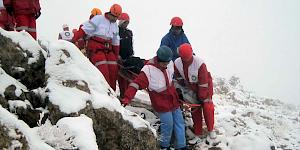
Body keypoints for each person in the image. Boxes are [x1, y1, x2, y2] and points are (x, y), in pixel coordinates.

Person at [121, 46, 187, 150]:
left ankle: (181, 146)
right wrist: (127, 97)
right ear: (158, 59)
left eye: (167, 62)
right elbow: (136, 84)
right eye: (164, 63)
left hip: (172, 98)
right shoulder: (148, 70)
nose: (166, 65)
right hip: (160, 100)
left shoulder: (169, 63)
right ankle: (164, 146)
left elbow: (173, 76)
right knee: (168, 124)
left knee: (179, 121)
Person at [72, 4, 122, 91]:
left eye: (116, 18)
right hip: (96, 47)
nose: (115, 19)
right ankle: (104, 92)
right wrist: (73, 40)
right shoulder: (98, 19)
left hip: (108, 49)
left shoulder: (115, 26)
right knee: (103, 69)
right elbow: (84, 30)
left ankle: (112, 92)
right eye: (114, 17)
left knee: (113, 69)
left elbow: (115, 41)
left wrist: (116, 55)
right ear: (110, 13)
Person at [174, 43, 216, 144]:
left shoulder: (200, 64)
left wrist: (201, 97)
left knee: (207, 107)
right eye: (184, 59)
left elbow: (203, 82)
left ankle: (211, 130)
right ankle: (198, 133)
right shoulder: (177, 63)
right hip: (191, 87)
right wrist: (183, 87)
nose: (187, 61)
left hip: (205, 87)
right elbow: (178, 76)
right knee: (195, 108)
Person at [117, 12, 134, 98]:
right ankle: (123, 95)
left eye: (127, 22)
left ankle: (127, 95)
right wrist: (117, 55)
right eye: (125, 22)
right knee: (121, 78)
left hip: (128, 58)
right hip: (119, 58)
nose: (126, 24)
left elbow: (131, 45)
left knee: (128, 78)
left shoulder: (129, 33)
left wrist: (131, 54)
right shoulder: (116, 31)